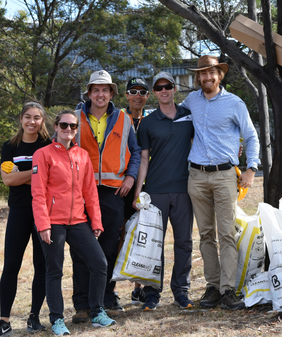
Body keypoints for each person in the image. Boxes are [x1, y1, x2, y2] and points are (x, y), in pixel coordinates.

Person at [182, 55, 260, 310]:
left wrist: (251, 169)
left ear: (220, 75)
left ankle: (229, 290)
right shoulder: (191, 100)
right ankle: (212, 288)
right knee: (206, 235)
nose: (207, 77)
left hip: (225, 175)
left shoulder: (234, 103)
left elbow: (251, 135)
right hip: (197, 176)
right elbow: (174, 119)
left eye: (212, 72)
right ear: (198, 77)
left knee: (226, 233)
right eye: (203, 73)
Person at [31, 110, 115, 335]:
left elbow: (90, 192)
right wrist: (43, 225)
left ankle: (97, 312)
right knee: (54, 270)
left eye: (73, 126)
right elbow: (38, 193)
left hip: (79, 220)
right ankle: (57, 319)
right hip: (53, 222)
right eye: (64, 125)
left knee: (99, 264)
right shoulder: (43, 154)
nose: (69, 130)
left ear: (77, 129)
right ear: (56, 127)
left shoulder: (83, 155)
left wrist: (96, 221)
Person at [70, 70, 141, 322]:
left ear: (112, 93)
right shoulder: (75, 118)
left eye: (105, 90)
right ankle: (82, 305)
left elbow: (135, 152)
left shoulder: (123, 118)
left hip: (113, 193)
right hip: (81, 192)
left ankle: (107, 299)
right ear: (89, 93)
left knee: (110, 246)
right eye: (95, 89)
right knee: (80, 248)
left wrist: (131, 178)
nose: (100, 94)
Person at [133, 72, 194, 311]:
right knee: (154, 244)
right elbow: (143, 159)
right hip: (156, 190)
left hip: (183, 190)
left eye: (167, 86)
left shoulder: (189, 117)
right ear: (154, 93)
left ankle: (181, 291)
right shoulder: (148, 122)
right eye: (158, 88)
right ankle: (151, 293)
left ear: (174, 89)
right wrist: (139, 191)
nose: (164, 90)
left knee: (184, 242)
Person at [0, 102, 51, 336]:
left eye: (37, 117)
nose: (32, 121)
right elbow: (7, 180)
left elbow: (52, 179)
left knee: (42, 265)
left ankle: (34, 317)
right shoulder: (9, 146)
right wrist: (36, 173)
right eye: (28, 117)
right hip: (19, 210)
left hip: (43, 211)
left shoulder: (49, 145)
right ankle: (3, 319)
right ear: (20, 119)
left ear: (42, 120)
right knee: (11, 265)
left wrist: (22, 175)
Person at [121, 77, 150, 305]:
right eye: (133, 91)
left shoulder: (151, 120)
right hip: (121, 185)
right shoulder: (120, 119)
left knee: (144, 237)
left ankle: (139, 287)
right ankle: (109, 288)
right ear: (127, 95)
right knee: (120, 236)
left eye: (143, 91)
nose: (138, 95)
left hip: (148, 187)